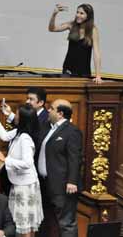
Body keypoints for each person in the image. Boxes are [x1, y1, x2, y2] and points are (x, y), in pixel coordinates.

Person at [0, 104, 44, 237]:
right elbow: (4, 136)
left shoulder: (25, 138)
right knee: (26, 225)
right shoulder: (19, 132)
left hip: (25, 186)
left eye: (17, 115)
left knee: (25, 226)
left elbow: (27, 163)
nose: (15, 116)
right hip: (21, 183)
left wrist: (5, 159)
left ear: (23, 119)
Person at [36, 99, 83, 237]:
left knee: (66, 223)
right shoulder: (50, 128)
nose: (48, 110)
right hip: (46, 183)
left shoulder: (72, 131)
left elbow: (75, 158)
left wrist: (72, 181)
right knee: (45, 221)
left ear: (60, 113)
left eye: (52, 108)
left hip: (63, 186)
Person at [48, 3, 102, 84]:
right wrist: (54, 14)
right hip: (68, 69)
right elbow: (52, 29)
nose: (78, 15)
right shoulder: (71, 24)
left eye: (81, 13)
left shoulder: (93, 30)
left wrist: (98, 75)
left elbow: (96, 53)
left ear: (88, 16)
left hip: (84, 71)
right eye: (77, 12)